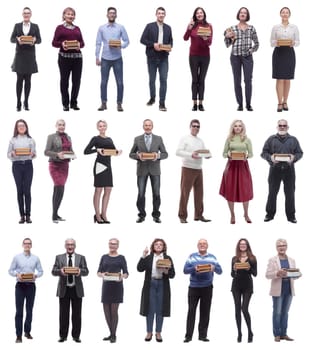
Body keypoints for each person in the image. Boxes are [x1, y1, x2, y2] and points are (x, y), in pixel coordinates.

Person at [261, 119, 303, 223]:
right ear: (277, 127)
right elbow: (263, 153)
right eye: (280, 125)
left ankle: (291, 216)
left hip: (289, 170)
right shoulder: (271, 139)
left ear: (288, 127)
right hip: (275, 170)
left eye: (284, 125)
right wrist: (270, 158)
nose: (282, 127)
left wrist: (294, 158)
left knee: (290, 193)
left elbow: (300, 153)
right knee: (272, 193)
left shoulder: (293, 140)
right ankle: (269, 214)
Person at [183, 238, 222, 343]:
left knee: (205, 312)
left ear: (207, 246)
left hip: (207, 288)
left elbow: (220, 271)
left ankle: (202, 336)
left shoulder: (212, 257)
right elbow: (185, 270)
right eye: (200, 244)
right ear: (197, 246)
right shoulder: (191, 257)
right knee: (191, 311)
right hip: (194, 287)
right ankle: (188, 336)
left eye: (204, 243)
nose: (202, 245)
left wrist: (214, 268)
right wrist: (193, 269)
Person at [129, 119, 168, 223]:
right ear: (143, 127)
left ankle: (156, 215)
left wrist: (157, 156)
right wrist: (138, 156)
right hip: (142, 170)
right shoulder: (137, 139)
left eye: (149, 125)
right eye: (146, 125)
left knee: (156, 193)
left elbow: (165, 154)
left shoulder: (158, 139)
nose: (147, 127)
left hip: (155, 170)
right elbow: (131, 154)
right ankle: (141, 215)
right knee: (141, 193)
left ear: (152, 126)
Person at [84, 120, 122, 224]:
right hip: (100, 166)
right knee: (98, 190)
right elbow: (86, 151)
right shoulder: (95, 139)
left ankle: (104, 214)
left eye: (104, 125)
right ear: (97, 127)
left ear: (106, 127)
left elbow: (114, 151)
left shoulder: (110, 139)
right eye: (100, 126)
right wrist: (97, 150)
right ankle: (97, 214)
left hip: (108, 166)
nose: (102, 127)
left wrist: (118, 152)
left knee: (108, 189)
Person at [137, 238, 175, 342]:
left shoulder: (168, 258)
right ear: (153, 246)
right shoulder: (149, 257)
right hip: (151, 284)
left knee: (160, 309)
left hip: (162, 284)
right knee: (150, 309)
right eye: (156, 244)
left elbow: (172, 275)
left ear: (164, 247)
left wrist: (166, 271)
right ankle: (149, 332)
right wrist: (143, 256)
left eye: (161, 244)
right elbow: (139, 269)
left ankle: (158, 332)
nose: (158, 246)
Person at [51, 238, 89, 343]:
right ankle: (63, 336)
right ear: (65, 246)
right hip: (64, 289)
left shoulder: (81, 258)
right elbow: (53, 271)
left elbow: (86, 271)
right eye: (68, 244)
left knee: (77, 314)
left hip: (77, 289)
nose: (70, 246)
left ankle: (76, 336)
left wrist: (80, 271)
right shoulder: (59, 258)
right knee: (63, 314)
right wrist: (60, 271)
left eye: (72, 244)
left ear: (75, 246)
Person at [8, 238, 43, 343]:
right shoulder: (17, 257)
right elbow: (10, 270)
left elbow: (41, 271)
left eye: (29, 243)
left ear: (31, 245)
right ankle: (18, 335)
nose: (27, 245)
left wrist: (36, 275)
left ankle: (27, 331)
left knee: (29, 310)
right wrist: (17, 274)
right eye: (25, 243)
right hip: (20, 286)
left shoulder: (36, 258)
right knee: (19, 311)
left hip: (31, 286)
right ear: (22, 245)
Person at [266, 239, 301, 342]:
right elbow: (267, 275)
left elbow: (293, 276)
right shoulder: (272, 260)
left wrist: (297, 275)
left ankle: (284, 334)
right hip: (278, 290)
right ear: (276, 247)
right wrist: (277, 273)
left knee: (285, 313)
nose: (282, 247)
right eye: (279, 245)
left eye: (284, 245)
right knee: (277, 313)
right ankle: (277, 334)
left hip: (289, 290)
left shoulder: (292, 260)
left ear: (287, 247)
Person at [176, 119, 211, 223]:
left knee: (199, 193)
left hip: (199, 169)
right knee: (185, 193)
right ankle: (182, 216)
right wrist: (191, 154)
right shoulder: (185, 138)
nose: (196, 128)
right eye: (194, 126)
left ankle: (199, 215)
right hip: (187, 168)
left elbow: (204, 152)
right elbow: (178, 152)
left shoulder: (200, 141)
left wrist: (208, 155)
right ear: (190, 127)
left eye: (198, 126)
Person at [224, 7, 259, 111]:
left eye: (245, 13)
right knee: (237, 81)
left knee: (248, 80)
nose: (243, 14)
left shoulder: (251, 28)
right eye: (241, 13)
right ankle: (240, 104)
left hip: (248, 57)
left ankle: (248, 104)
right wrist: (227, 36)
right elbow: (227, 44)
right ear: (238, 15)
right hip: (235, 57)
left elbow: (257, 44)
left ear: (247, 15)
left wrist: (250, 51)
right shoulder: (232, 28)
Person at [219, 120, 253, 224]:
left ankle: (246, 214)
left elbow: (251, 154)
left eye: (239, 126)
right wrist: (228, 154)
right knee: (230, 191)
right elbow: (224, 154)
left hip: (243, 167)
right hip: (231, 168)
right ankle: (232, 215)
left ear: (242, 128)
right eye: (235, 126)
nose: (237, 128)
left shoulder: (247, 139)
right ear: (233, 128)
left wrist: (246, 156)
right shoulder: (229, 139)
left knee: (245, 191)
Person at [96, 7, 129, 112]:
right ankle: (103, 103)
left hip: (117, 59)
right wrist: (97, 56)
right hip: (105, 58)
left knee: (119, 82)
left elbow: (127, 41)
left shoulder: (121, 27)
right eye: (110, 13)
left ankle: (119, 103)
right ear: (107, 15)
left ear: (116, 15)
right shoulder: (101, 28)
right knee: (103, 82)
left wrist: (121, 46)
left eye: (114, 13)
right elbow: (98, 43)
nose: (112, 14)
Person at [140, 7, 173, 112]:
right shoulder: (149, 26)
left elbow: (171, 41)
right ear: (156, 14)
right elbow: (142, 40)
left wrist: (169, 47)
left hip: (164, 58)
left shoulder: (168, 28)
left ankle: (162, 103)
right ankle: (152, 98)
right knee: (152, 80)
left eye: (163, 13)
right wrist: (153, 44)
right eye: (159, 13)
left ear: (165, 15)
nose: (161, 15)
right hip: (152, 57)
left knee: (163, 80)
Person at [52, 7, 84, 111]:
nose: (70, 16)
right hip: (64, 59)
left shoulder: (77, 28)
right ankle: (65, 104)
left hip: (77, 59)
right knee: (64, 81)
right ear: (64, 15)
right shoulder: (59, 28)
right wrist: (62, 44)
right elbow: (54, 43)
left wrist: (79, 45)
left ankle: (74, 103)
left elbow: (82, 43)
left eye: (72, 14)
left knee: (76, 81)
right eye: (68, 14)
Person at [97, 238, 128, 343]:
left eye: (114, 244)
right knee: (106, 312)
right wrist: (102, 274)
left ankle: (114, 335)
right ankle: (111, 333)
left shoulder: (121, 258)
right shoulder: (104, 257)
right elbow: (98, 272)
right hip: (106, 287)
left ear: (118, 245)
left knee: (114, 312)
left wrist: (121, 277)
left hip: (117, 287)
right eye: (111, 243)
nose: (112, 245)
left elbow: (126, 273)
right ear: (108, 244)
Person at [10, 7, 41, 111]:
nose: (26, 15)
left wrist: (35, 40)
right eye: (24, 13)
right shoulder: (17, 26)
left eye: (28, 13)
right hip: (20, 56)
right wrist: (18, 39)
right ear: (22, 14)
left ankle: (26, 102)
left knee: (28, 80)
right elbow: (12, 39)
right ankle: (18, 102)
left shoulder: (35, 26)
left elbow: (40, 39)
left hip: (30, 56)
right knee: (19, 80)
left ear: (31, 14)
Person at [44, 119, 74, 223]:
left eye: (63, 125)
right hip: (55, 165)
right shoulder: (51, 137)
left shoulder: (68, 137)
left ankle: (56, 214)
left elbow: (71, 149)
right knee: (59, 187)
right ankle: (54, 215)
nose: (61, 126)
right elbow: (46, 152)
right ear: (56, 126)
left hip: (65, 165)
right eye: (59, 125)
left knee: (60, 189)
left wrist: (73, 154)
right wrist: (57, 154)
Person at [183, 7, 212, 111]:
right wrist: (189, 28)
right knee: (195, 79)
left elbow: (209, 43)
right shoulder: (192, 26)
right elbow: (185, 38)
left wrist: (205, 39)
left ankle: (201, 103)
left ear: (204, 14)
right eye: (197, 13)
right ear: (195, 15)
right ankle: (194, 103)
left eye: (201, 13)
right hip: (193, 56)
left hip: (205, 56)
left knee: (202, 79)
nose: (199, 14)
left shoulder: (209, 26)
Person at [271, 7, 300, 112]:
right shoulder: (275, 27)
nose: (285, 14)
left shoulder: (294, 27)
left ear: (289, 14)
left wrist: (293, 43)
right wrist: (277, 43)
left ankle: (285, 102)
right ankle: (279, 102)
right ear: (280, 14)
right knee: (279, 78)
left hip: (289, 53)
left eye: (286, 12)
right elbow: (271, 42)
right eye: (283, 12)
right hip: (278, 53)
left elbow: (298, 42)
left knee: (287, 79)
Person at [7, 119, 36, 224]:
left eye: (23, 125)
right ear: (16, 128)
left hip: (28, 165)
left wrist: (33, 154)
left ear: (26, 127)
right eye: (19, 126)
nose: (21, 127)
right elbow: (8, 154)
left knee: (27, 191)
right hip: (17, 166)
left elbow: (34, 154)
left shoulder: (31, 140)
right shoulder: (13, 140)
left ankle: (28, 215)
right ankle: (21, 216)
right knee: (20, 191)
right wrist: (12, 154)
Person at [231, 238, 257, 343]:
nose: (242, 245)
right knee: (237, 309)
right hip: (236, 286)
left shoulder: (252, 258)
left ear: (247, 245)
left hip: (247, 286)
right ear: (238, 246)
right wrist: (234, 270)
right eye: (241, 244)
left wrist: (249, 269)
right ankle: (239, 333)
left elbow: (255, 274)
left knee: (244, 309)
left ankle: (250, 332)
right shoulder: (234, 258)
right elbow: (232, 275)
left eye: (244, 244)